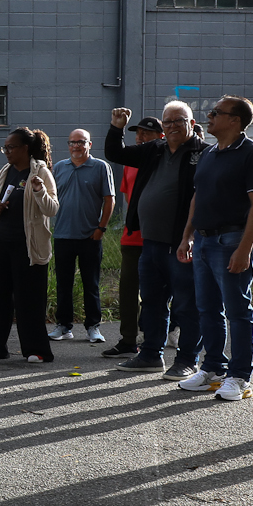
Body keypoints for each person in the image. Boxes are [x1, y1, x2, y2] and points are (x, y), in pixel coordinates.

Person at [175, 97, 253, 401]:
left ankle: (240, 375)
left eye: (216, 113)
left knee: (237, 311)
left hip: (232, 240)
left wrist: (245, 248)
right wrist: (187, 235)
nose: (209, 116)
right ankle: (214, 368)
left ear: (235, 120)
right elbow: (197, 198)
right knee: (207, 308)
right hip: (203, 241)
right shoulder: (208, 154)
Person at [105, 102, 209, 380]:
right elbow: (115, 152)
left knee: (186, 304)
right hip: (149, 241)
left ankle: (187, 359)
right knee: (152, 301)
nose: (173, 125)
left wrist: (190, 236)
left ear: (191, 122)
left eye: (179, 120)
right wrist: (117, 126)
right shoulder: (154, 149)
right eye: (168, 121)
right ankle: (150, 354)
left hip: (182, 243)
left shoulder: (203, 153)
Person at [0, 127, 60, 363]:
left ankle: (37, 350)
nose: (7, 152)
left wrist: (38, 191)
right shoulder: (5, 172)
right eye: (5, 147)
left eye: (11, 147)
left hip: (29, 247)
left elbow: (52, 208)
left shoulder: (41, 172)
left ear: (25, 149)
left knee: (29, 299)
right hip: (2, 244)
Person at [48, 129, 115, 345]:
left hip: (90, 236)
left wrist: (101, 229)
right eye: (72, 142)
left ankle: (93, 327)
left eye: (81, 142)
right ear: (68, 145)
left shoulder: (100, 167)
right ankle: (64, 326)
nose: (76, 146)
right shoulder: (59, 168)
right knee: (63, 284)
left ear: (89, 144)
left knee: (91, 283)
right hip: (63, 235)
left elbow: (109, 200)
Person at [103, 117, 162, 358]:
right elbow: (128, 198)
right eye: (138, 133)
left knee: (156, 291)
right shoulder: (130, 162)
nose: (140, 137)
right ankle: (128, 339)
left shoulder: (161, 159)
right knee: (128, 289)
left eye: (146, 134)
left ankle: (153, 339)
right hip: (132, 235)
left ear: (160, 136)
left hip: (157, 234)